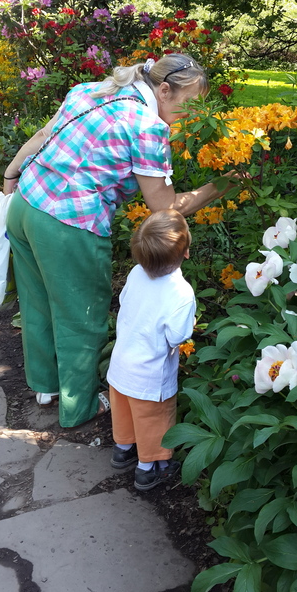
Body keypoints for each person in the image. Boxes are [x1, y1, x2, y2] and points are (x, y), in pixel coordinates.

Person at [3, 54, 237, 428]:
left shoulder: (93, 90)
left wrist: (12, 171)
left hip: (27, 204)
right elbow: (164, 209)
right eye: (189, 104)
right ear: (163, 90)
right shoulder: (147, 126)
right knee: (82, 317)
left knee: (38, 301)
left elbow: (44, 135)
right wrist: (221, 185)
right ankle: (77, 407)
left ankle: (46, 387)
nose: (193, 114)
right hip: (69, 223)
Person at [107, 209, 194, 491]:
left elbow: (124, 301)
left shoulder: (135, 274)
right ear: (186, 252)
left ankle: (123, 450)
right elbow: (177, 336)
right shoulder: (181, 292)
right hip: (150, 375)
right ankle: (150, 468)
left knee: (125, 413)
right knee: (153, 420)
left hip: (121, 366)